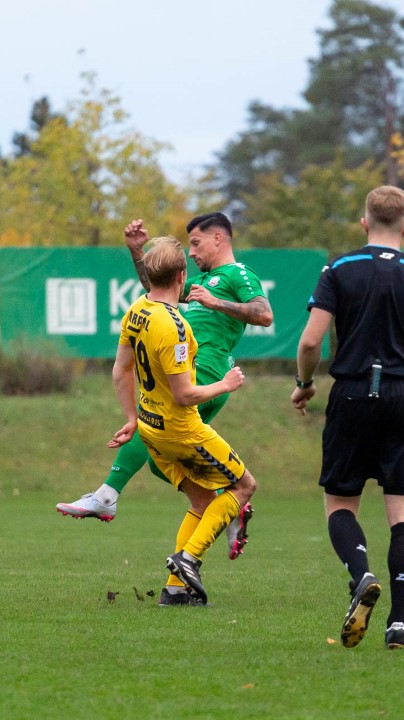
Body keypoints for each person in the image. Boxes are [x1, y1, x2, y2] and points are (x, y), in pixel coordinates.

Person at [290, 185, 404, 649]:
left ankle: (362, 574)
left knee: (340, 504)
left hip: (351, 393)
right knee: (403, 511)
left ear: (364, 222)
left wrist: (305, 383)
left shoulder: (339, 269)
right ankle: (398, 622)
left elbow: (310, 341)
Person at [57, 213, 272, 559]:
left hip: (206, 372)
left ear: (219, 238)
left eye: (196, 243)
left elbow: (264, 313)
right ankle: (224, 509)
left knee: (152, 419)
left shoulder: (238, 274)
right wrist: (137, 253)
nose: (192, 252)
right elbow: (159, 286)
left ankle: (107, 495)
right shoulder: (200, 280)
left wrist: (215, 302)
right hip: (184, 370)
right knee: (162, 463)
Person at [107, 235, 258, 606]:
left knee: (203, 500)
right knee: (243, 487)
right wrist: (225, 384)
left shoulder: (137, 310)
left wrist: (131, 417)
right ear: (181, 276)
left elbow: (120, 370)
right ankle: (188, 558)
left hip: (151, 429)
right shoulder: (176, 327)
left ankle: (175, 590)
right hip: (181, 430)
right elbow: (184, 395)